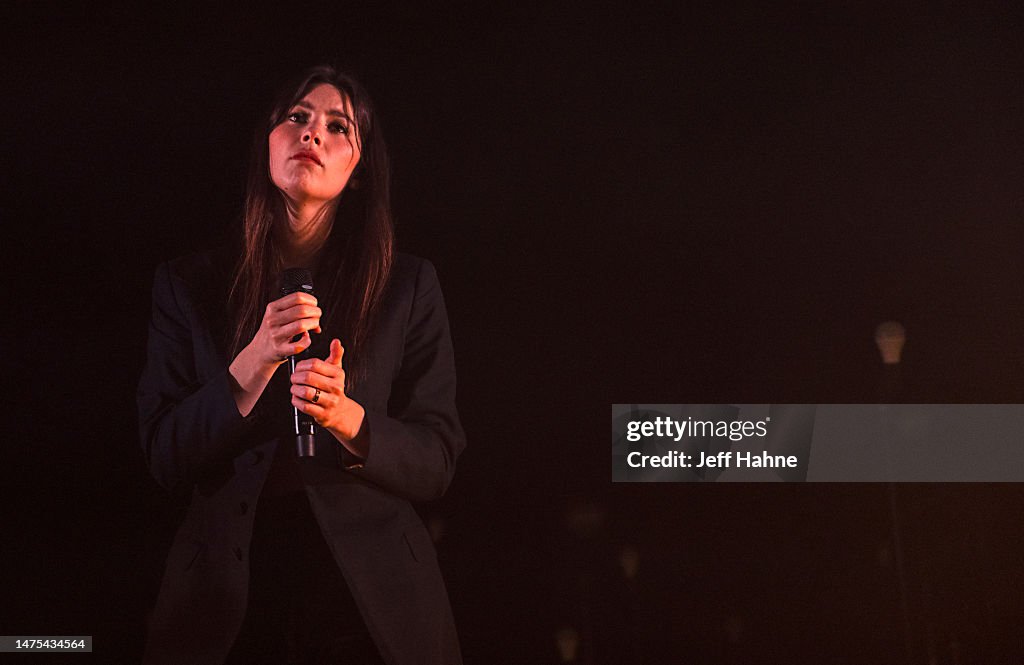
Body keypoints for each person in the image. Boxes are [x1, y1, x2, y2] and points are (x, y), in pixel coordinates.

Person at [137, 65, 465, 665]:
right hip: (230, 597)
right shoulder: (189, 284)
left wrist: (348, 419)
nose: (312, 134)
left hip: (367, 601)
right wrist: (254, 362)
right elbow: (163, 455)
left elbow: (437, 460)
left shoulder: (407, 286)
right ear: (269, 141)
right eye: (297, 118)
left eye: (338, 126)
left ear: (359, 170)